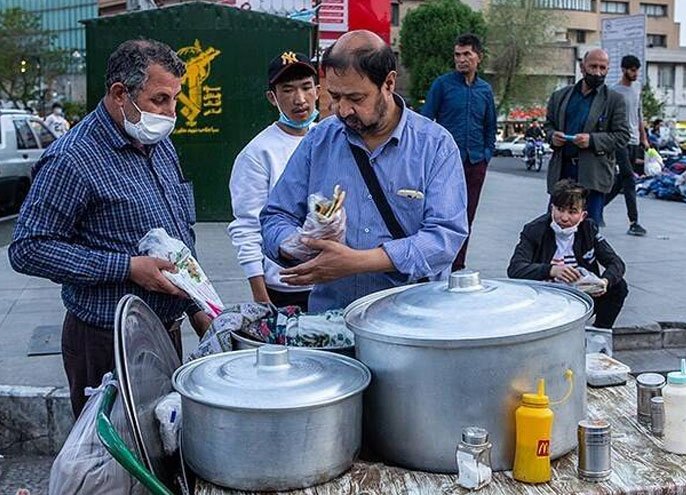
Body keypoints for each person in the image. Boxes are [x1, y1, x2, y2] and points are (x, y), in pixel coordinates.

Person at [9, 39, 210, 418]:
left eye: (174, 99)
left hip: (166, 333)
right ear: (120, 94)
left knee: (164, 450)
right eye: (159, 100)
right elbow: (28, 248)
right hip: (106, 343)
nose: (171, 113)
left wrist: (197, 306)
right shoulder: (72, 159)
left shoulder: (158, 144)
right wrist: (128, 267)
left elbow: (179, 237)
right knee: (111, 467)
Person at [260, 30, 468, 312]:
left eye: (356, 98)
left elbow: (444, 238)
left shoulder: (435, 146)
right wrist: (296, 244)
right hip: (332, 320)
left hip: (411, 320)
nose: (343, 110)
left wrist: (359, 262)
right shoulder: (319, 140)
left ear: (389, 83)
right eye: (334, 96)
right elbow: (275, 216)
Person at [228, 52, 318, 310]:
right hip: (285, 288)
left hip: (332, 281)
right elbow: (247, 227)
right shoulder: (258, 153)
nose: (299, 99)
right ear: (273, 97)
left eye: (305, 87)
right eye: (287, 90)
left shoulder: (329, 139)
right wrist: (261, 298)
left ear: (318, 90)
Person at [507, 180, 628, 330]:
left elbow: (616, 263)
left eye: (572, 212)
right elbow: (515, 269)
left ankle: (599, 333)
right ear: (552, 209)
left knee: (619, 286)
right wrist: (551, 270)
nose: (564, 218)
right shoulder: (535, 230)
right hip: (545, 297)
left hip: (581, 295)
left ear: (582, 215)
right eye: (560, 209)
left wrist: (605, 281)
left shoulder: (588, 230)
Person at [422, 33, 497, 271]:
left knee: (467, 217)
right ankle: (437, 263)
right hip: (444, 163)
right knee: (441, 214)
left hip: (475, 162)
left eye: (467, 54)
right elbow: (426, 122)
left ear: (479, 57)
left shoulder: (485, 90)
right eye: (457, 55)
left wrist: (486, 154)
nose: (461, 59)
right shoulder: (442, 85)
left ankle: (457, 265)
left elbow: (490, 126)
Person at [544, 48, 630, 227]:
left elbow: (622, 136)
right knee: (555, 225)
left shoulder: (614, 100)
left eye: (602, 68)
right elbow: (548, 126)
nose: (598, 72)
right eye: (593, 67)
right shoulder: (560, 96)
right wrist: (552, 136)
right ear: (582, 67)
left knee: (588, 230)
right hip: (563, 170)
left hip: (593, 175)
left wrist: (592, 140)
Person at [604, 55, 648, 236]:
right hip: (620, 140)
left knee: (621, 180)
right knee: (629, 178)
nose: (635, 73)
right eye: (632, 70)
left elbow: (639, 115)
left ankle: (594, 208)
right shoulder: (613, 91)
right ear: (623, 70)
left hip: (635, 140)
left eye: (637, 70)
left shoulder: (637, 88)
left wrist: (644, 138)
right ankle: (634, 222)